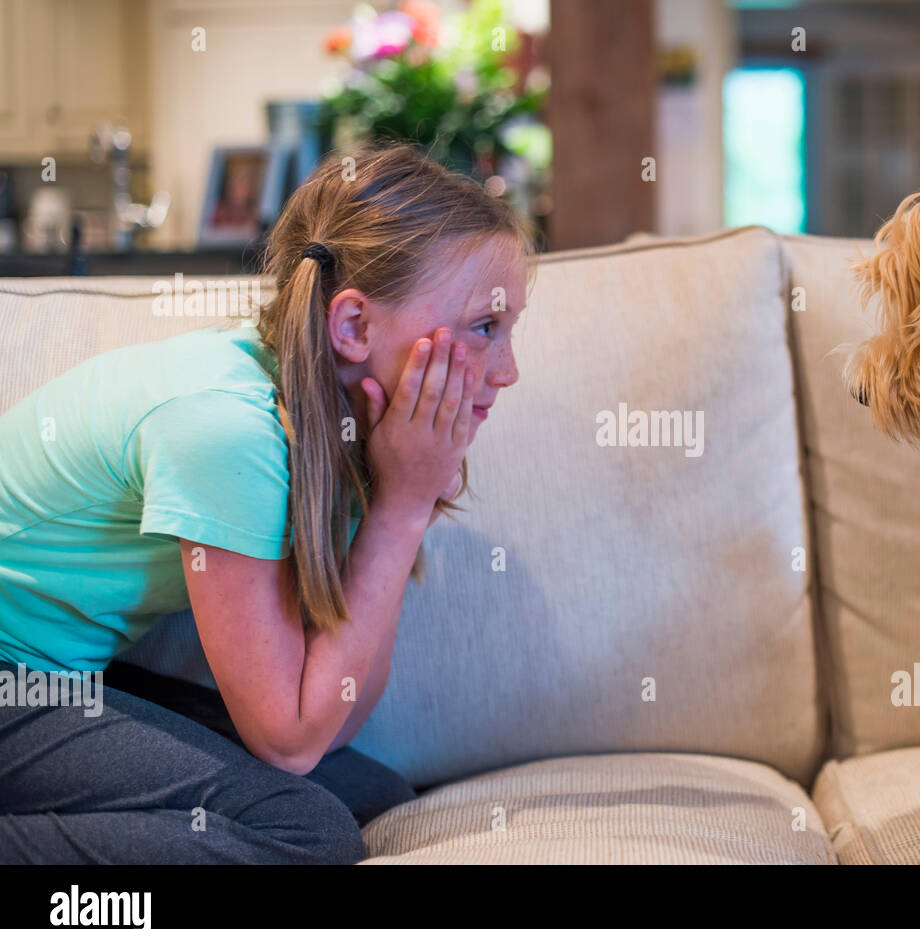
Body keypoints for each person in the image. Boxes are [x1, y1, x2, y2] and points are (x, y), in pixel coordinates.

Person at [0, 143, 534, 863]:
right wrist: (403, 507)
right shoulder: (228, 429)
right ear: (352, 328)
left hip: (57, 678)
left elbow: (332, 713)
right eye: (483, 328)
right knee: (306, 833)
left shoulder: (329, 423)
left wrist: (398, 499)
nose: (507, 370)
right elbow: (288, 739)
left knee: (370, 793)